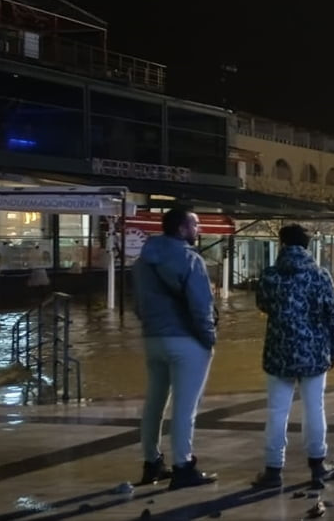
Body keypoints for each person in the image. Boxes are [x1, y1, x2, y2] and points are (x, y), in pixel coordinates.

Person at [252, 223, 334, 491]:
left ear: (281, 244)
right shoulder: (320, 275)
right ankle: (317, 466)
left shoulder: (270, 275)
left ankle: (273, 470)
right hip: (314, 352)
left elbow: (262, 304)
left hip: (278, 352)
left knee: (277, 411)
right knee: (314, 408)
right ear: (306, 246)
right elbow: (333, 316)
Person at [133, 207, 218, 490]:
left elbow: (137, 305)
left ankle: (152, 463)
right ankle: (183, 466)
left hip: (153, 339)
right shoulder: (191, 260)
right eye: (195, 225)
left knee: (154, 402)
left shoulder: (143, 261)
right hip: (186, 341)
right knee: (185, 408)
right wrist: (209, 339)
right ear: (181, 229)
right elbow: (201, 306)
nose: (198, 229)